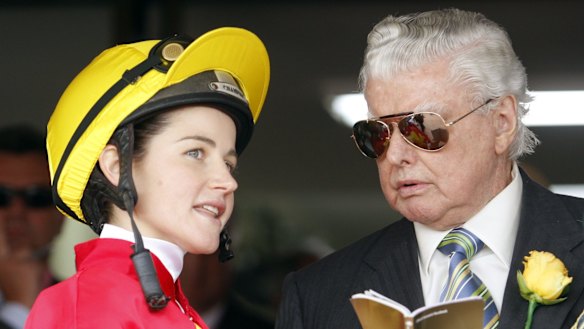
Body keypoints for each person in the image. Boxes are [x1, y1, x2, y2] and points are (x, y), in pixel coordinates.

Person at [276, 8, 584, 329]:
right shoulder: (318, 295)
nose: (395, 156)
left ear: (501, 122)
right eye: (377, 134)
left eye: (421, 127)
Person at [25, 27, 270, 328]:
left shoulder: (152, 303)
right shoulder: (96, 306)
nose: (228, 182)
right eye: (195, 153)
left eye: (228, 164)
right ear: (117, 166)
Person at [0, 125, 64, 329]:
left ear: (62, 214)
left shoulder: (83, 306)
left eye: (37, 198)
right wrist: (19, 307)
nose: (16, 213)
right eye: (2, 197)